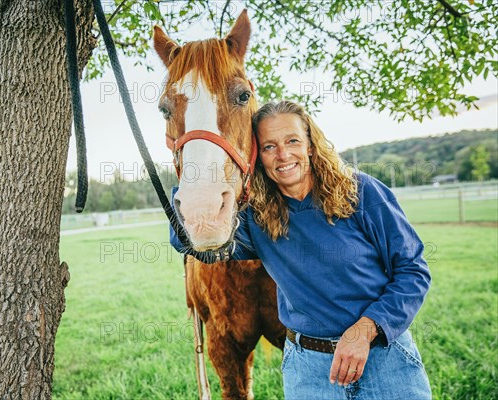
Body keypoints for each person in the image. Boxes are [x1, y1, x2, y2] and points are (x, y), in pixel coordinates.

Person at [171, 100, 432, 399]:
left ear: (310, 144)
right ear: (256, 156)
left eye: (292, 140)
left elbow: (413, 272)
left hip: (385, 360)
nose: (283, 154)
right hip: (310, 371)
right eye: (269, 146)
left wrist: (365, 330)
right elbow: (191, 242)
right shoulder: (256, 219)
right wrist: (191, 160)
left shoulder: (361, 192)